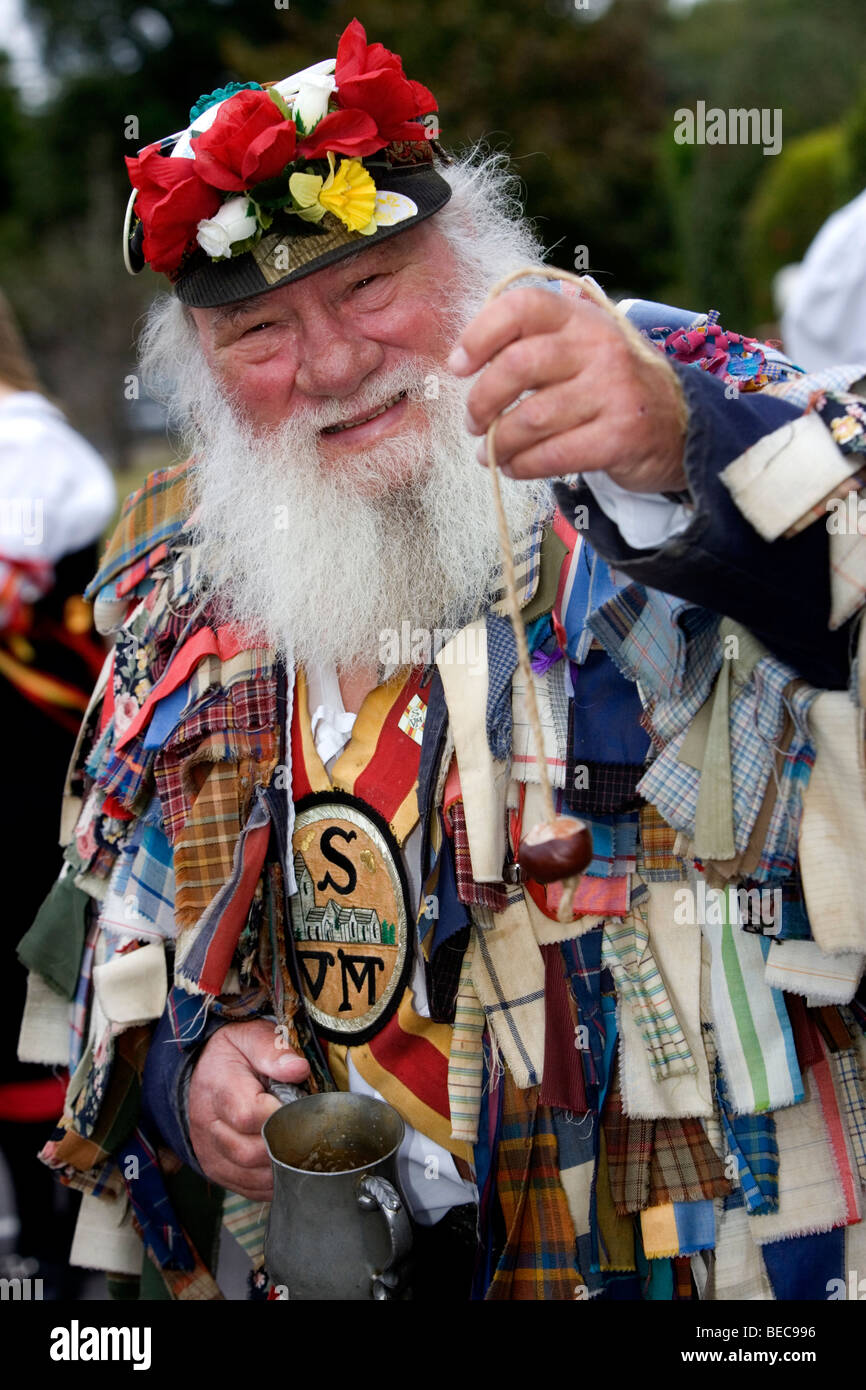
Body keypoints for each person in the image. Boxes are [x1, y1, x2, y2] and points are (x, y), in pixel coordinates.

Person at [19, 19, 866, 1301]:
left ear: (474, 256)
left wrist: (677, 442)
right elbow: (105, 949)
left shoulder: (660, 410)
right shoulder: (184, 585)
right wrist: (184, 1080)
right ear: (196, 371)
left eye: (367, 287)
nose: (333, 362)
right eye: (258, 331)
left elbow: (834, 581)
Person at [0, 286, 115, 1296]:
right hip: (34, 772)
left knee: (35, 1000)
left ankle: (55, 1246)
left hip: (31, 771)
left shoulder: (39, 456)